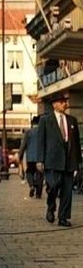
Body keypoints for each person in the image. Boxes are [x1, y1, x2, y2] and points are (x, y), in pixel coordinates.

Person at [37, 92, 82, 227]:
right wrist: (40, 160)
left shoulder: (72, 120)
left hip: (69, 161)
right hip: (52, 160)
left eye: (65, 102)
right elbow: (41, 141)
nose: (65, 104)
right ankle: (51, 207)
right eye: (62, 102)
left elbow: (76, 142)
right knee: (53, 185)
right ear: (54, 104)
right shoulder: (45, 120)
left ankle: (63, 217)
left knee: (67, 190)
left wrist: (78, 162)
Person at [19, 116, 43, 199]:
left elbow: (23, 145)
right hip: (40, 157)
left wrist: (20, 156)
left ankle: (32, 185)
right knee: (40, 174)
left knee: (29, 172)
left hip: (31, 157)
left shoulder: (28, 132)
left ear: (32, 123)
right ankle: (38, 193)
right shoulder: (42, 132)